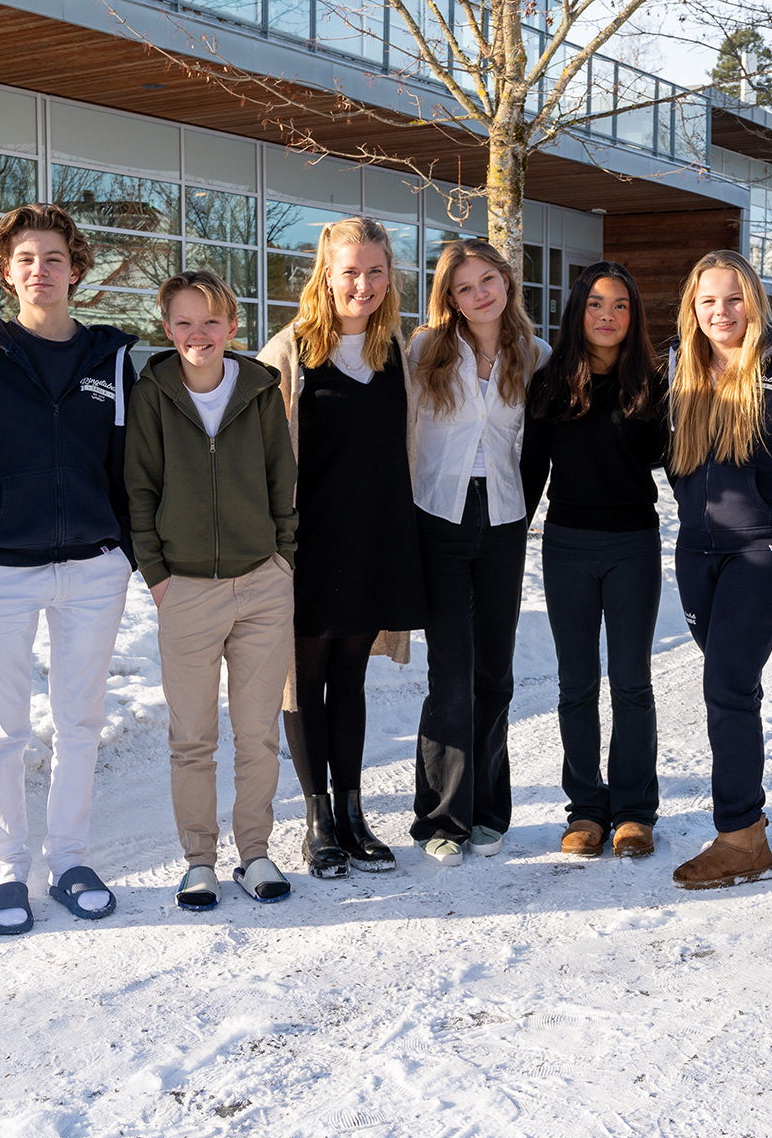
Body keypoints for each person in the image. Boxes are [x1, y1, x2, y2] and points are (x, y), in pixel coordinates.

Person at [0, 203, 136, 936]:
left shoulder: (110, 361)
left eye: (54, 258)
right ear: (5, 272)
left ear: (76, 270)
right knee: (3, 728)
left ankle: (71, 861)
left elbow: (128, 465)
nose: (40, 271)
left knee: (79, 721)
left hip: (93, 568)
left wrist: (126, 550)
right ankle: (8, 871)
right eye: (25, 258)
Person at [259, 215, 428, 879]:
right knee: (302, 681)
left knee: (350, 679)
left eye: (375, 271)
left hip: (373, 539)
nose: (363, 284)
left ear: (390, 277)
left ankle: (354, 814)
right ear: (325, 275)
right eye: (350, 271)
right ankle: (318, 820)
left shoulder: (397, 354)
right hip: (305, 548)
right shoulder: (290, 353)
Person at [126, 270, 297, 909]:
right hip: (187, 591)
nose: (198, 334)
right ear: (167, 328)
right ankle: (199, 860)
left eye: (210, 322)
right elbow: (140, 488)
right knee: (192, 738)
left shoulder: (260, 389)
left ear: (231, 326)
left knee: (258, 735)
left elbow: (282, 478)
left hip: (262, 586)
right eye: (184, 323)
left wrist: (283, 561)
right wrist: (158, 576)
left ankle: (255, 853)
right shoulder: (152, 394)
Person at [662, 251, 772, 890]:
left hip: (764, 546)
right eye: (708, 301)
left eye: (733, 299)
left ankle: (741, 835)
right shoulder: (679, 367)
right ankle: (746, 823)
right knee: (731, 685)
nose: (721, 312)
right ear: (692, 309)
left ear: (753, 301)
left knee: (726, 683)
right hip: (696, 549)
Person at [406, 240, 550, 867]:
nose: (480, 294)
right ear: (451, 299)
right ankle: (440, 818)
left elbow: (539, 444)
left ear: (506, 281)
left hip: (504, 521)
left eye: (487, 280)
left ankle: (489, 809)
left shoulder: (535, 355)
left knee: (494, 672)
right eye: (464, 287)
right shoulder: (424, 352)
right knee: (451, 674)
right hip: (438, 515)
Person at [522, 261, 669, 860]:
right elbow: (531, 470)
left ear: (634, 316)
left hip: (633, 545)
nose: (607, 316)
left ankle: (634, 811)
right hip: (567, 547)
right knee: (576, 683)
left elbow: (678, 461)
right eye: (596, 304)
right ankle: (585, 808)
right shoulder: (550, 382)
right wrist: (507, 541)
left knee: (631, 682)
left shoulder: (654, 384)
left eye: (620, 305)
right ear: (578, 310)